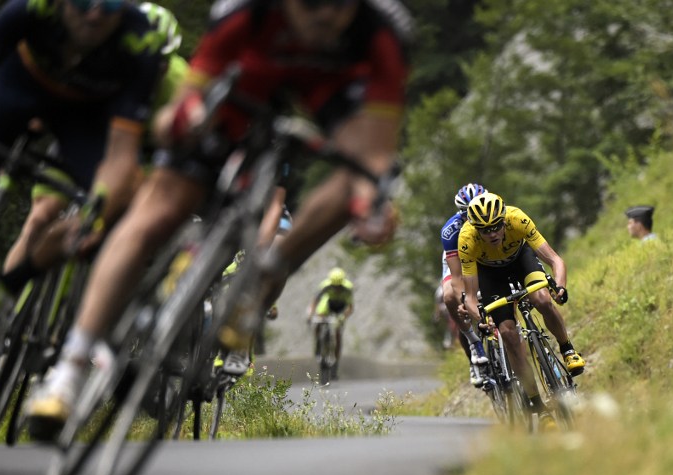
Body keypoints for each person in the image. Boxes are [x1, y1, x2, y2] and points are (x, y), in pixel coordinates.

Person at [26, 0, 412, 437]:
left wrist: (370, 203)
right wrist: (182, 122)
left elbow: (375, 154)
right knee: (159, 209)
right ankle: (69, 372)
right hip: (250, 77)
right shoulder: (244, 12)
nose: (325, 17)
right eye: (311, 6)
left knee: (353, 182)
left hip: (331, 92)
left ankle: (263, 279)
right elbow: (185, 101)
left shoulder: (385, 32)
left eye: (340, 8)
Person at [0, 0, 168, 394]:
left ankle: (10, 288)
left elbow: (120, 157)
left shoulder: (140, 40)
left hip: (85, 118)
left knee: (111, 209)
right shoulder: (28, 10)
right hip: (17, 85)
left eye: (109, 5)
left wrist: (99, 212)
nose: (94, 14)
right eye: (81, 2)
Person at [458, 192, 586, 430]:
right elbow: (471, 296)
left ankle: (567, 350)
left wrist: (560, 287)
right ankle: (535, 403)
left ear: (504, 220)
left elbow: (556, 260)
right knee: (507, 333)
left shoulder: (517, 219)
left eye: (496, 226)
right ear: (476, 229)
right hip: (489, 275)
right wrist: (481, 318)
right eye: (485, 230)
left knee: (542, 299)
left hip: (520, 261)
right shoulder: (467, 239)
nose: (493, 233)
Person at [439, 182, 489, 386]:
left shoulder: (496, 216)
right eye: (468, 212)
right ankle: (473, 342)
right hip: (457, 261)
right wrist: (463, 300)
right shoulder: (451, 230)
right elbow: (456, 276)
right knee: (450, 295)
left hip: (485, 257)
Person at [307, 267, 354, 380]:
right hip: (328, 304)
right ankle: (318, 340)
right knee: (319, 318)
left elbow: (350, 307)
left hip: (340, 307)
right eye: (334, 286)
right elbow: (315, 301)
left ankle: (335, 365)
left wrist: (343, 317)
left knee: (338, 335)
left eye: (339, 287)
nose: (337, 289)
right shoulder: (325, 286)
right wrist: (311, 315)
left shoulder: (348, 288)